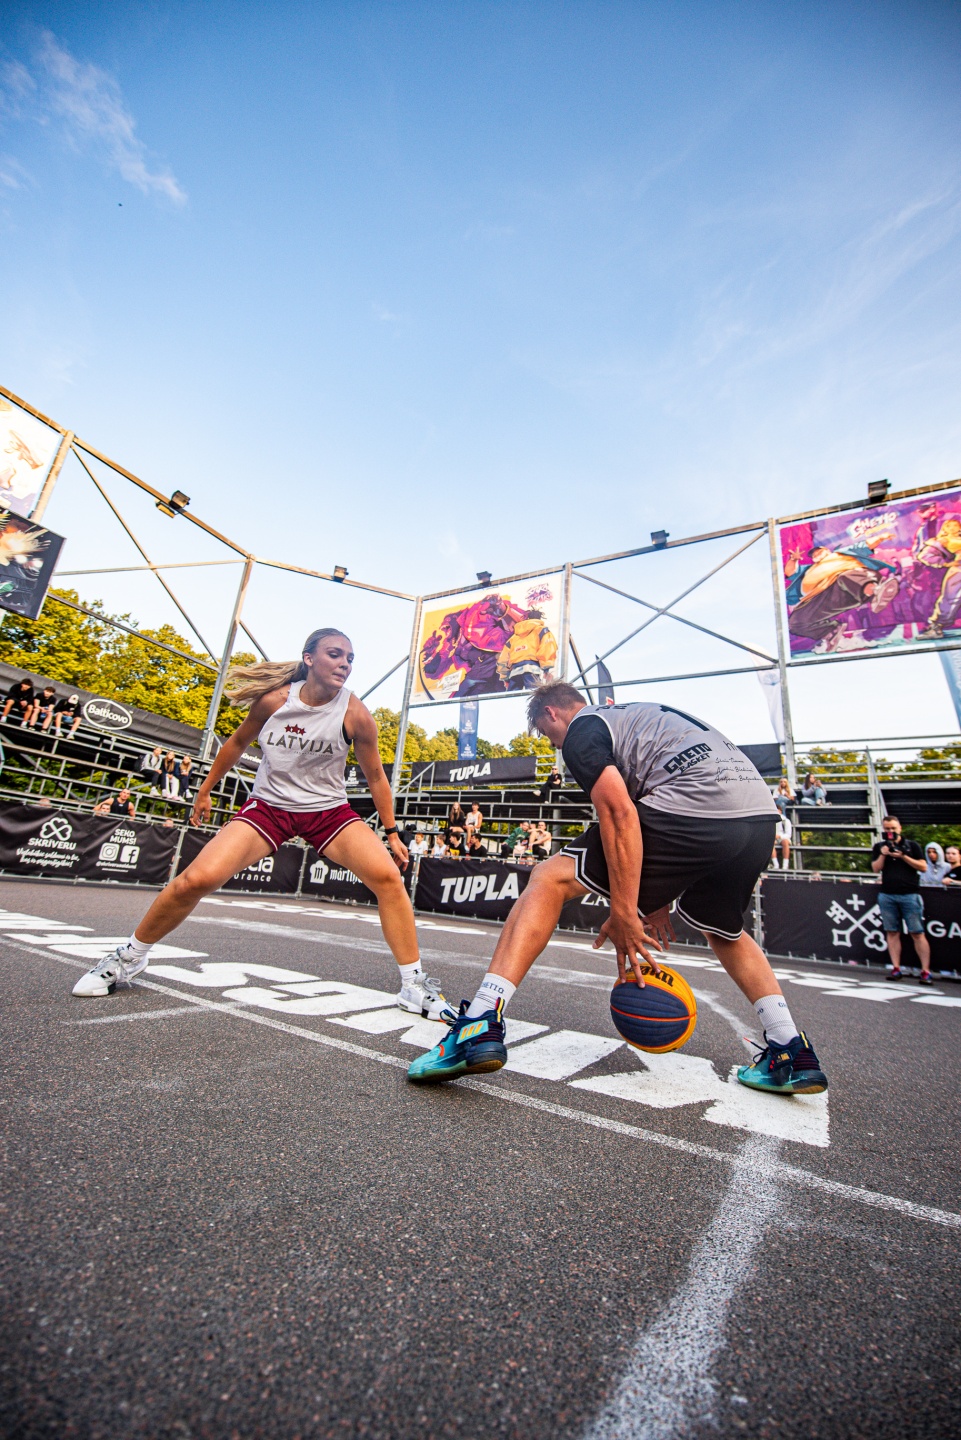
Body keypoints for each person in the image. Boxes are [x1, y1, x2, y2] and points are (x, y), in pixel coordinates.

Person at [408, 682, 828, 1094]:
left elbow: (620, 814)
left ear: (552, 712)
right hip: (758, 818)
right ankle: (790, 1048)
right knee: (724, 931)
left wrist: (625, 912)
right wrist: (653, 898)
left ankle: (479, 1022)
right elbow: (655, 813)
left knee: (549, 878)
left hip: (697, 803)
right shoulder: (636, 717)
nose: (555, 745)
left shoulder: (582, 729)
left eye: (548, 735)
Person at [72, 628, 451, 1021]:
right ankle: (129, 958)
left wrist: (392, 832)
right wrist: (204, 791)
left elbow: (375, 776)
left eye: (350, 658)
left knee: (388, 878)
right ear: (309, 659)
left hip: (327, 811)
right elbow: (236, 744)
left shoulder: (355, 714)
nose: (345, 664)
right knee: (195, 880)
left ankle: (414, 986)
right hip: (269, 807)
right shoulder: (274, 701)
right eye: (335, 654)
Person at [871, 816, 932, 985]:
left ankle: (925, 970)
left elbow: (923, 866)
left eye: (893, 828)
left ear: (900, 828)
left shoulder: (912, 846)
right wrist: (883, 854)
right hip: (887, 894)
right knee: (892, 931)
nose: (890, 831)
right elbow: (875, 868)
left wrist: (903, 856)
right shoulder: (879, 846)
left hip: (909, 894)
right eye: (887, 829)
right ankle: (896, 967)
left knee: (917, 932)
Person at [495, 607, 558, 690]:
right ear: (539, 618)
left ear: (528, 618)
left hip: (514, 671)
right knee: (533, 694)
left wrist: (505, 677)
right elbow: (547, 649)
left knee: (512, 696)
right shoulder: (542, 630)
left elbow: (503, 658)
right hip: (532, 669)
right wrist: (546, 669)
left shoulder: (514, 637)